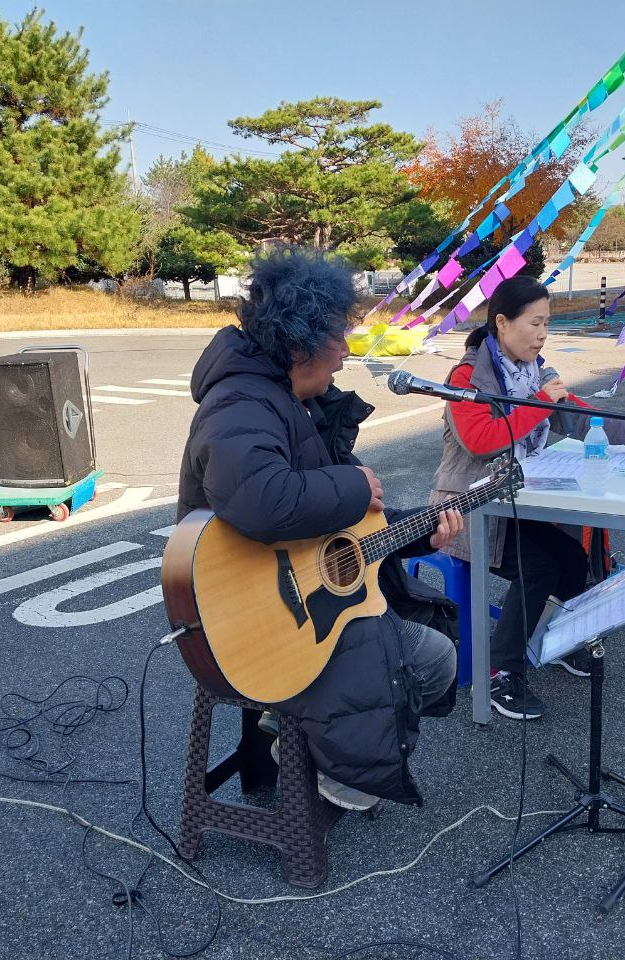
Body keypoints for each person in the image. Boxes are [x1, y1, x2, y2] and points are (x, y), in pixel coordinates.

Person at [177, 246, 464, 811]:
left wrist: (420, 533)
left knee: (421, 633)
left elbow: (342, 534)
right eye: (338, 337)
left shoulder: (284, 397)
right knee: (433, 659)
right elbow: (262, 501)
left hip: (298, 597)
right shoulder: (242, 402)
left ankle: (303, 742)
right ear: (299, 342)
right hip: (251, 613)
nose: (344, 355)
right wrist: (356, 485)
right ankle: (323, 771)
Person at [430, 275, 625, 720]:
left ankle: (554, 641)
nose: (543, 334)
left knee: (571, 560)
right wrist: (541, 402)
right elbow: (480, 440)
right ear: (502, 323)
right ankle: (501, 675)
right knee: (539, 567)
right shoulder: (467, 376)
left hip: (519, 504)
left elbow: (579, 417)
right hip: (471, 511)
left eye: (547, 324)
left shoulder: (535, 372)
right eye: (535, 323)